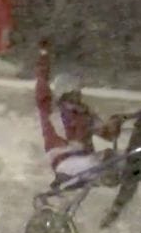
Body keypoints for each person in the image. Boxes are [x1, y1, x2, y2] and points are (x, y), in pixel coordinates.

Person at [34, 40, 124, 185]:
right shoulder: (52, 109)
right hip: (66, 161)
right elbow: (41, 84)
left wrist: (115, 124)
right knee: (107, 158)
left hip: (87, 160)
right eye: (75, 92)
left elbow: (108, 135)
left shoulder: (86, 113)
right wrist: (43, 56)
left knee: (124, 156)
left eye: (79, 91)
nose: (79, 95)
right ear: (65, 93)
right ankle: (105, 176)